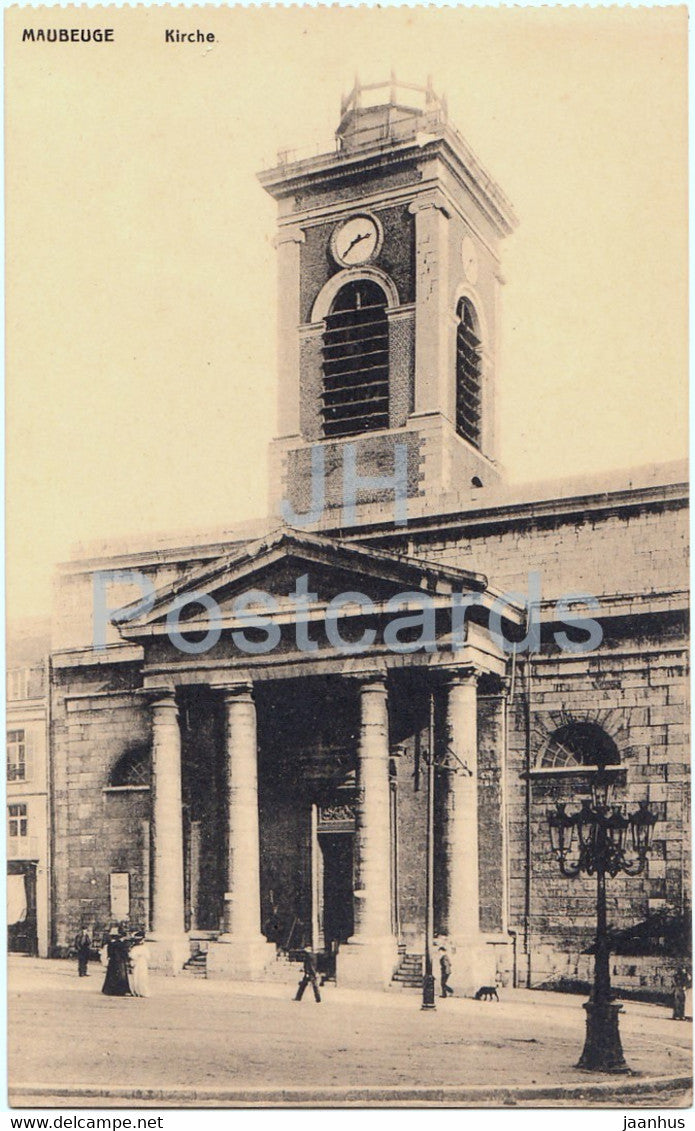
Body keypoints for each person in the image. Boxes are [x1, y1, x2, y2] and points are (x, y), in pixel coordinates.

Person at [101, 928, 131, 996]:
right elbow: (124, 953)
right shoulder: (121, 944)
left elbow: (109, 953)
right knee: (120, 975)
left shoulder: (111, 943)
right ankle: (120, 990)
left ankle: (110, 990)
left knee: (112, 975)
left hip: (113, 961)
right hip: (119, 961)